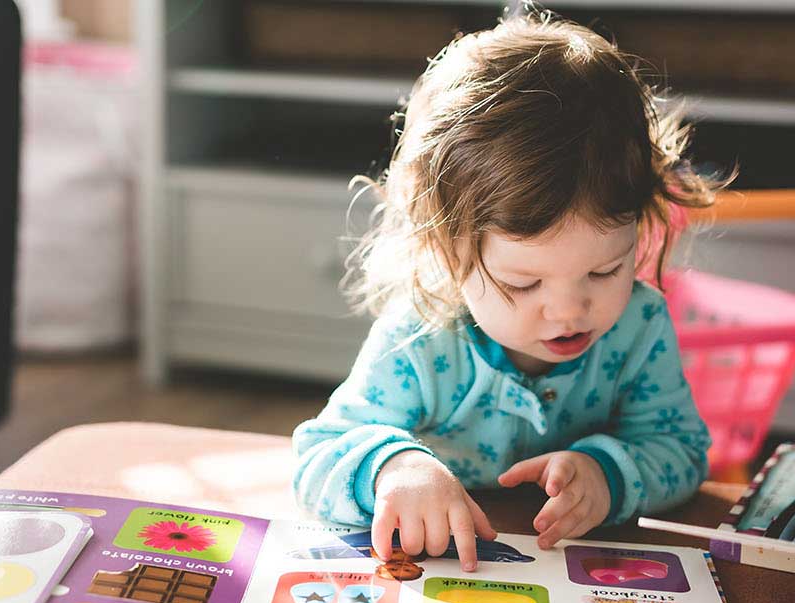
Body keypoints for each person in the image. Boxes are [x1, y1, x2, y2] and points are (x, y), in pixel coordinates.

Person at [292, 12, 727, 571]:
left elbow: (682, 453)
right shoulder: (420, 339)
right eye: (524, 283)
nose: (571, 309)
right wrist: (394, 468)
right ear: (447, 253)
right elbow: (318, 455)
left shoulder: (639, 326)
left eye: (605, 271)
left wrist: (607, 473)